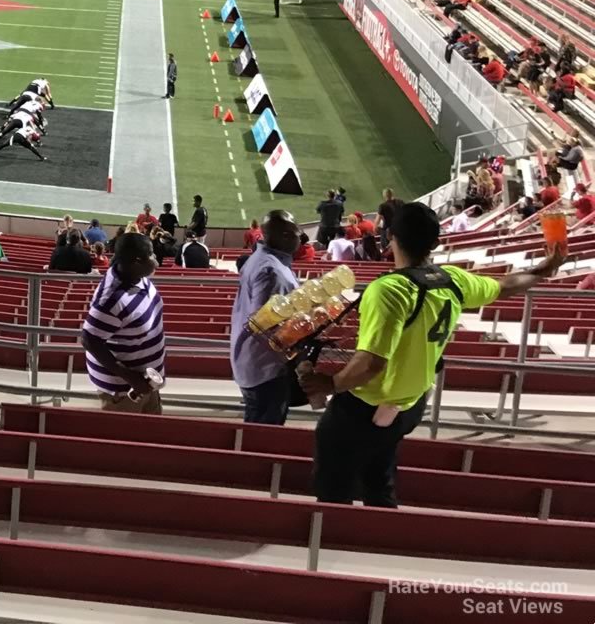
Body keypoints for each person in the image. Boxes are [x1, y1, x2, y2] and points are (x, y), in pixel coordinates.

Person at [299, 203, 562, 507]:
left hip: (363, 410)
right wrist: (545, 268)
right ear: (436, 243)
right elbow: (506, 285)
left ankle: (333, 531)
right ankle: (377, 527)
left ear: (389, 237)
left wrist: (330, 385)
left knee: (334, 484)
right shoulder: (454, 279)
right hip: (409, 407)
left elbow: (371, 364)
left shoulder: (388, 290)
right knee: (379, 473)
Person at [230, 210, 302, 423]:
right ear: (287, 236)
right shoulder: (273, 271)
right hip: (266, 369)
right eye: (300, 235)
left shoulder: (261, 259)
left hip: (255, 363)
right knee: (261, 437)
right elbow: (264, 324)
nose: (301, 240)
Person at [81, 232, 165, 414]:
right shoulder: (112, 299)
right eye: (151, 254)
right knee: (127, 440)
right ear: (136, 262)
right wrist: (130, 377)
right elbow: (89, 339)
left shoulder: (137, 277)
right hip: (124, 392)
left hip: (146, 383)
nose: (155, 257)